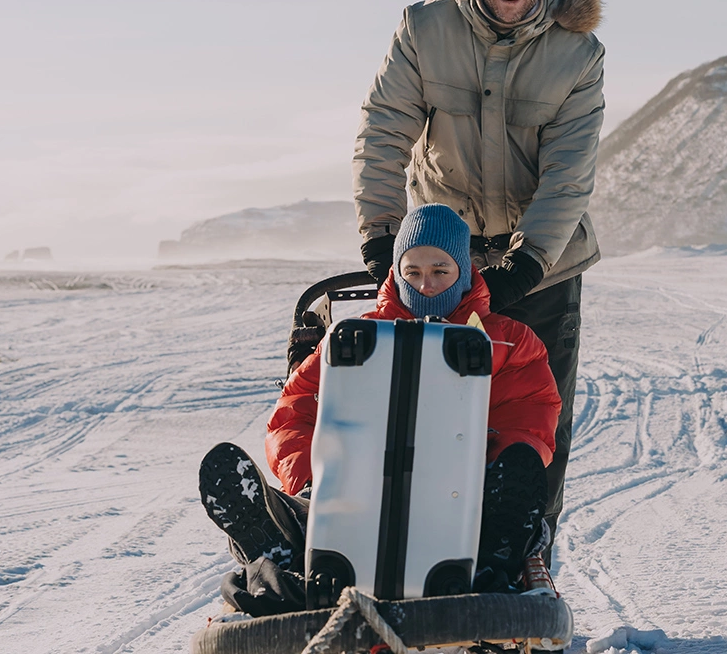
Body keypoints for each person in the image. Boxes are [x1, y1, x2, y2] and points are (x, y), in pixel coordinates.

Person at [353, 0, 604, 563]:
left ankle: (524, 559)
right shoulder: (425, 27)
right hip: (442, 254)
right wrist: (383, 236)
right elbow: (385, 129)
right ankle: (407, 548)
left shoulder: (578, 53)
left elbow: (569, 174)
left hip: (542, 263)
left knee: (536, 415)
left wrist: (530, 263)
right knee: (422, 401)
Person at [200, 204, 562, 614]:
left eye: (441, 270)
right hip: (354, 490)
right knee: (309, 508)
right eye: (413, 271)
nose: (426, 285)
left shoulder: (508, 341)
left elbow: (530, 417)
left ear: (464, 270)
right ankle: (279, 537)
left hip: (460, 493)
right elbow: (294, 412)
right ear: (398, 270)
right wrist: (313, 477)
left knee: (514, 493)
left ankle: (491, 563)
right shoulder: (353, 339)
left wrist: (488, 462)